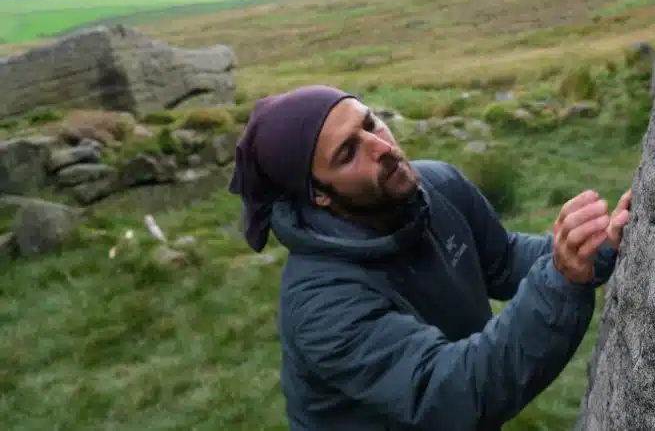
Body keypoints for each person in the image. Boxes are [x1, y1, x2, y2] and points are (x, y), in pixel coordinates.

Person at [229, 84, 631, 431]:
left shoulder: (437, 187)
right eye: (349, 152)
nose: (383, 148)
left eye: (370, 124)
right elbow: (450, 394)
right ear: (318, 195)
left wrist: (594, 245)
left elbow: (504, 260)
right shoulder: (320, 305)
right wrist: (561, 281)